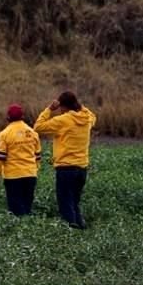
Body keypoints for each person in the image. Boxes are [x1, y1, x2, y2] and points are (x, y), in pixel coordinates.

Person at [33, 91, 97, 229]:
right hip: (82, 169)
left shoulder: (63, 120)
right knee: (74, 202)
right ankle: (82, 229)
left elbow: (38, 127)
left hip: (66, 168)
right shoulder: (87, 119)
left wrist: (49, 109)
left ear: (63, 106)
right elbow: (92, 115)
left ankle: (71, 230)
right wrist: (80, 106)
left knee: (65, 203)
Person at [0, 104, 42, 215]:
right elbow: (37, 156)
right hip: (30, 174)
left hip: (13, 176)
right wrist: (35, 169)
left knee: (16, 209)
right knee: (27, 207)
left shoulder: (4, 134)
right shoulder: (33, 133)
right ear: (22, 116)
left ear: (8, 117)